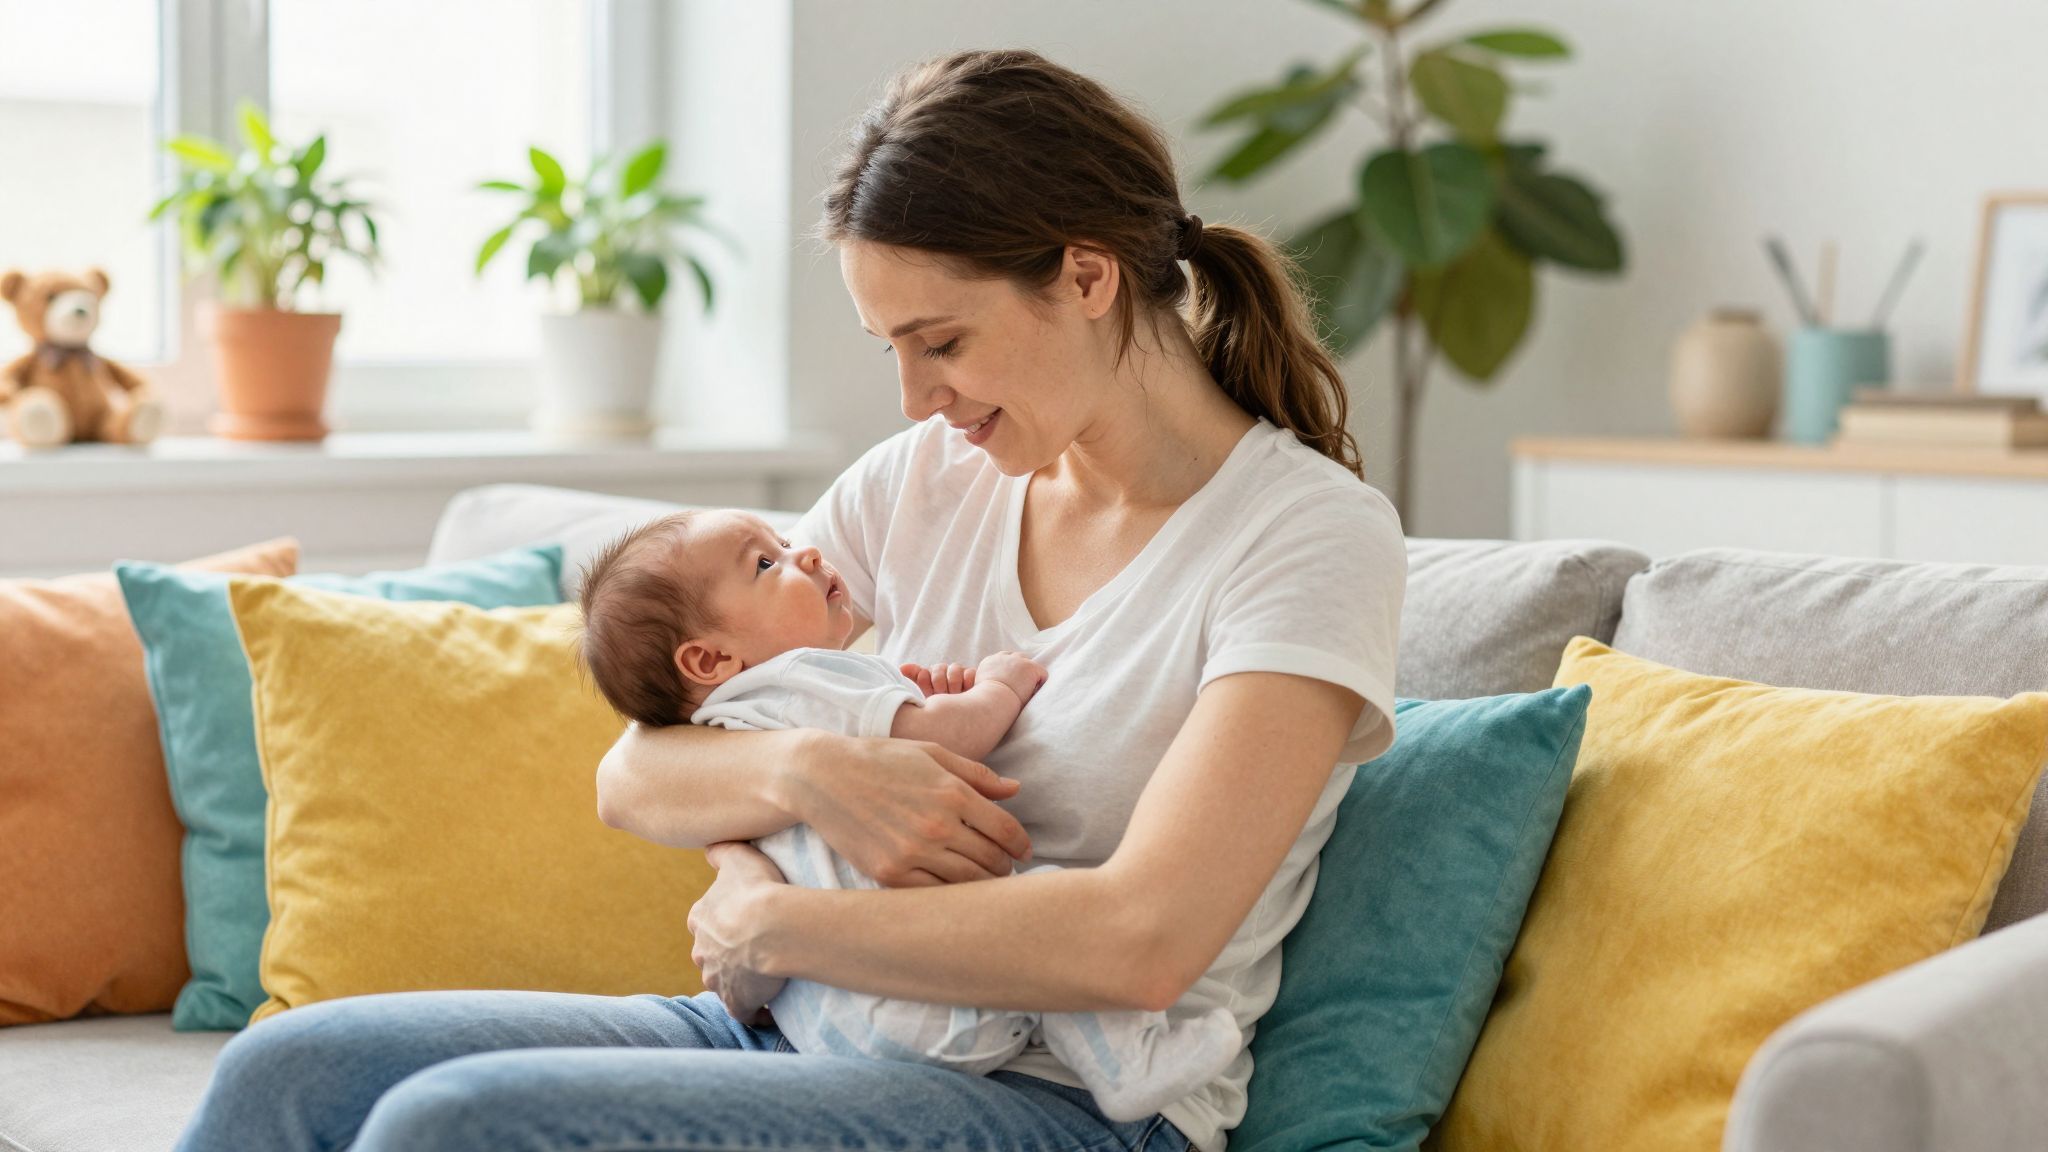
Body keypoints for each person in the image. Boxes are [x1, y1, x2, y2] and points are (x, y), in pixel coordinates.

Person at [172, 47, 1404, 1152]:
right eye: (894, 352)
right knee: (298, 1069)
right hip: (809, 1038)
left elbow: (1142, 942)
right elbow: (638, 770)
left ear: (1084, 276)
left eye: (943, 342)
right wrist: (811, 775)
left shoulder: (1305, 538)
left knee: (463, 1125)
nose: (918, 399)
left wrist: (777, 930)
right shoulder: (930, 478)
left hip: (1062, 1102)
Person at [571, 506, 1242, 1122]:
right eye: (766, 563)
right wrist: (998, 686)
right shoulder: (810, 676)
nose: (803, 553)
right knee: (1041, 904)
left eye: (784, 542)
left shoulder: (722, 725)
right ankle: (1129, 1061)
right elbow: (949, 737)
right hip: (936, 1005)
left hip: (822, 1023)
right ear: (710, 657)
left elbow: (695, 802)